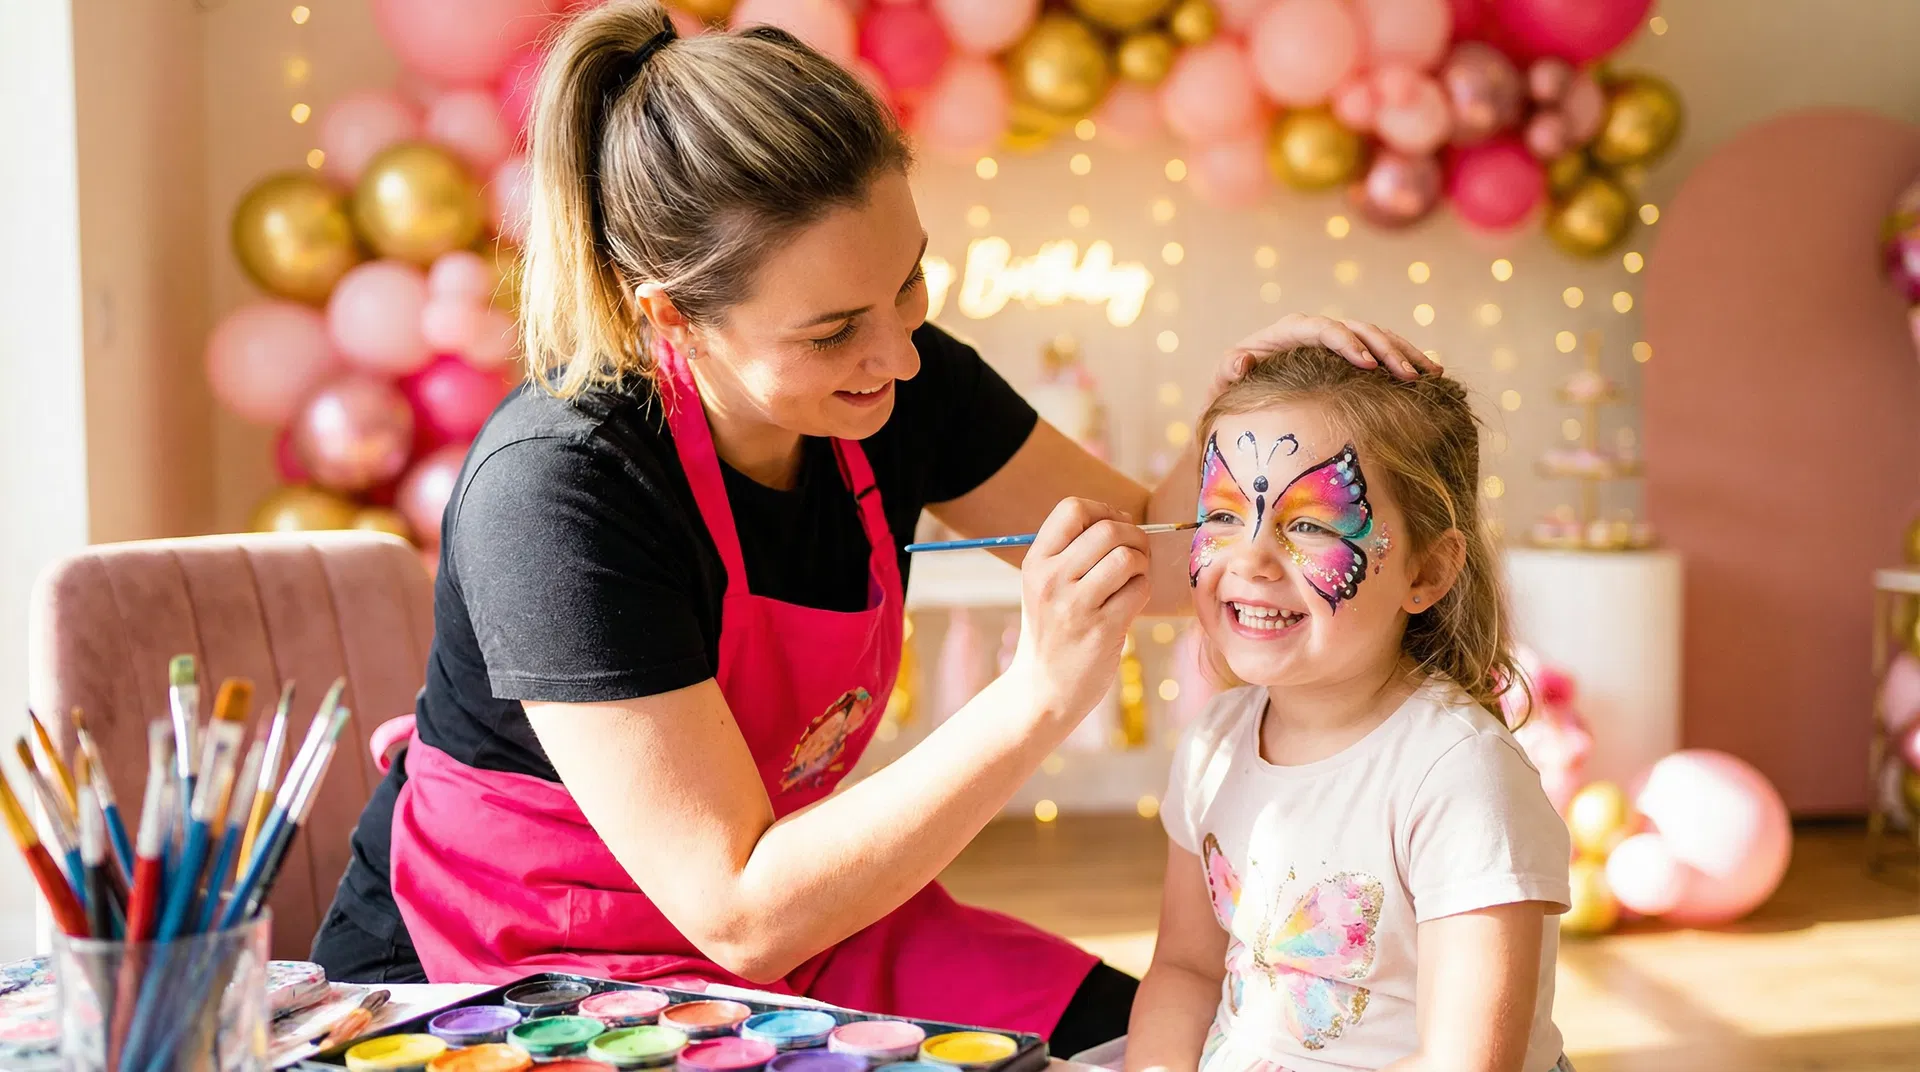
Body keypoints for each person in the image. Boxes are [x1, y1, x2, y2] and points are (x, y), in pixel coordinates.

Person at [310, 0, 1434, 1052]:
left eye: (911, 283)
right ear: (670, 315)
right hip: (527, 967)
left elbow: (1141, 549)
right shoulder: (555, 490)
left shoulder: (900, 381)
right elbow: (740, 911)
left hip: (819, 913)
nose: (896, 353)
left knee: (1159, 1048)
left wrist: (1250, 412)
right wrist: (1038, 697)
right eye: (834, 328)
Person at [1129, 348, 1572, 1072]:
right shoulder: (1214, 743)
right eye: (1222, 514)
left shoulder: (1459, 779)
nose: (1251, 559)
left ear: (1426, 571)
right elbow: (1186, 971)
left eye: (1309, 526)